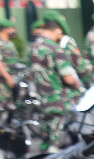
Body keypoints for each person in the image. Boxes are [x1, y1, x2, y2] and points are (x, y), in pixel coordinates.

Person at [29, 17, 81, 150]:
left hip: (43, 100)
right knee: (57, 143)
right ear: (57, 30)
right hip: (58, 101)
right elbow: (68, 78)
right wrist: (77, 86)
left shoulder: (33, 47)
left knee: (45, 140)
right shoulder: (54, 48)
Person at [0, 19, 20, 112]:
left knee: (16, 105)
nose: (14, 31)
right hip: (4, 81)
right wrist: (8, 78)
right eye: (12, 28)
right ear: (5, 29)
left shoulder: (9, 43)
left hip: (15, 78)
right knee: (4, 106)